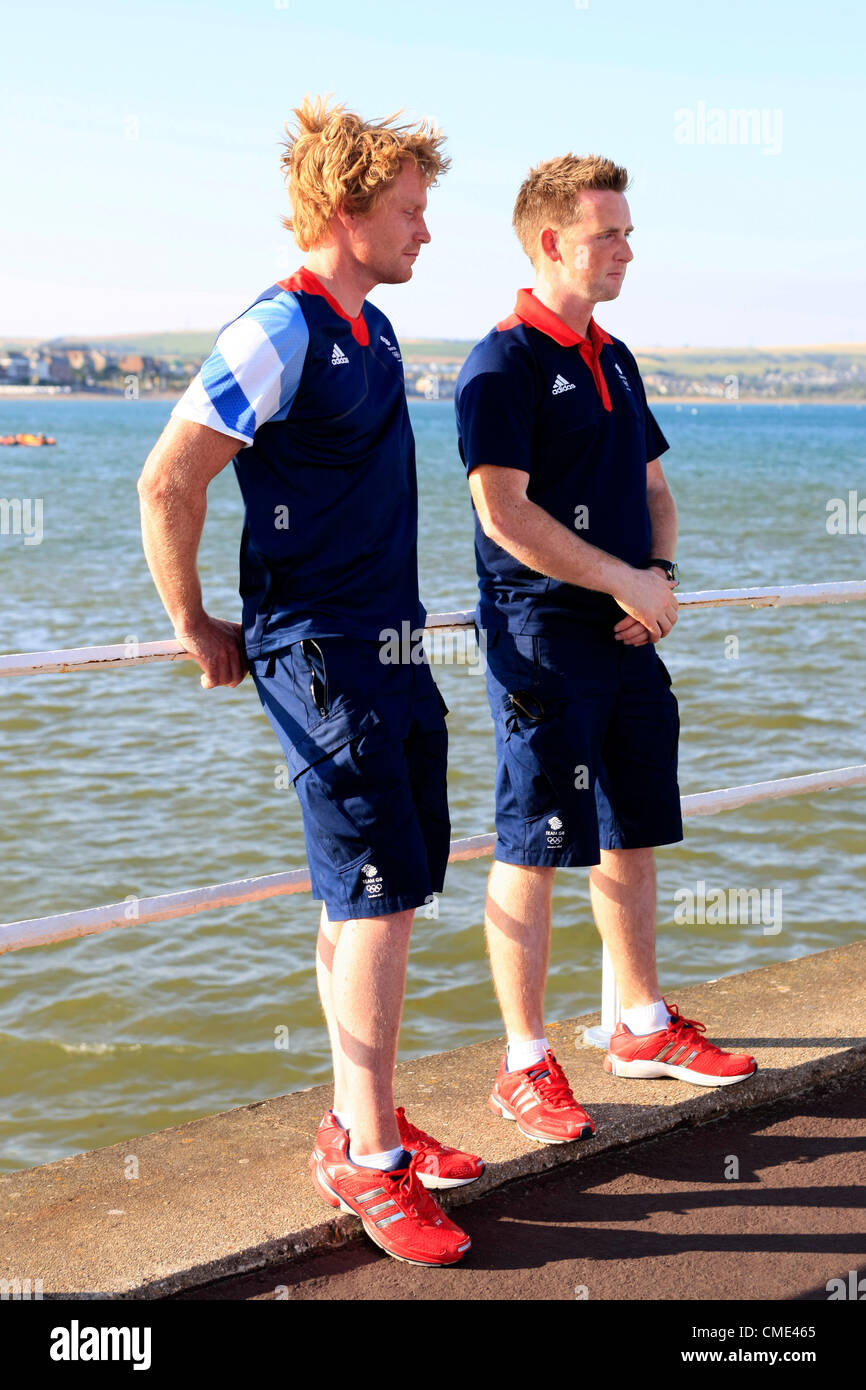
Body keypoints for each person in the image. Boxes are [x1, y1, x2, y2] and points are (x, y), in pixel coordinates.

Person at [137, 97, 482, 1266]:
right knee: (375, 894)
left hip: (390, 644)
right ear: (345, 212)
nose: (425, 234)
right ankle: (368, 1161)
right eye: (408, 213)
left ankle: (357, 1116)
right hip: (316, 655)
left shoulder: (372, 332)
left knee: (381, 892)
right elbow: (168, 481)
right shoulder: (275, 331)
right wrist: (194, 623)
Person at [454, 154, 757, 1145]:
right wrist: (617, 578)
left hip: (629, 629)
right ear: (549, 242)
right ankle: (524, 1060)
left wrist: (655, 579)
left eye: (627, 232)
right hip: (541, 637)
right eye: (608, 233)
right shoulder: (498, 362)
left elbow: (655, 491)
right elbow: (502, 514)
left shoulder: (614, 356)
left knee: (631, 829)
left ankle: (638, 1022)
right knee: (531, 841)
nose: (626, 249)